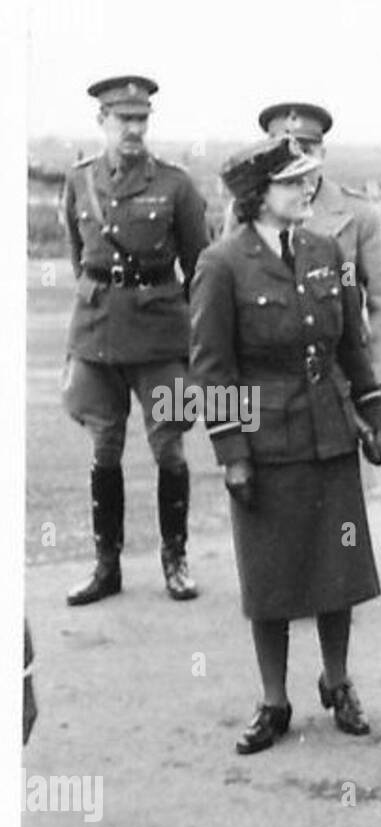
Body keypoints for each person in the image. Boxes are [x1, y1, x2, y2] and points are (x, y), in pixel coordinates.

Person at [190, 138, 381, 754]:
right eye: (291, 183)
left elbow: (351, 343)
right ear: (257, 196)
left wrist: (373, 412)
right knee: (270, 575)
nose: (306, 191)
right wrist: (231, 454)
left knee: (338, 567)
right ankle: (274, 701)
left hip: (328, 433)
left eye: (309, 180)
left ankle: (338, 682)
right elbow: (211, 368)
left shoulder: (325, 250)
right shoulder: (222, 263)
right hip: (264, 441)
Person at [61, 75, 209, 605]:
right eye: (123, 120)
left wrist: (192, 338)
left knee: (169, 445)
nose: (134, 129)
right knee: (104, 449)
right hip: (97, 334)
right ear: (101, 122)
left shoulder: (176, 185)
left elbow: (200, 268)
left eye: (141, 120)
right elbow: (80, 258)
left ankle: (176, 559)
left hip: (160, 336)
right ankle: (107, 566)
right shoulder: (80, 182)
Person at [248, 102, 381, 411]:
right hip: (263, 373)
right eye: (285, 151)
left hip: (336, 368)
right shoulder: (246, 214)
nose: (298, 162)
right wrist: (229, 421)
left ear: (323, 154)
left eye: (307, 150)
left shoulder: (358, 215)